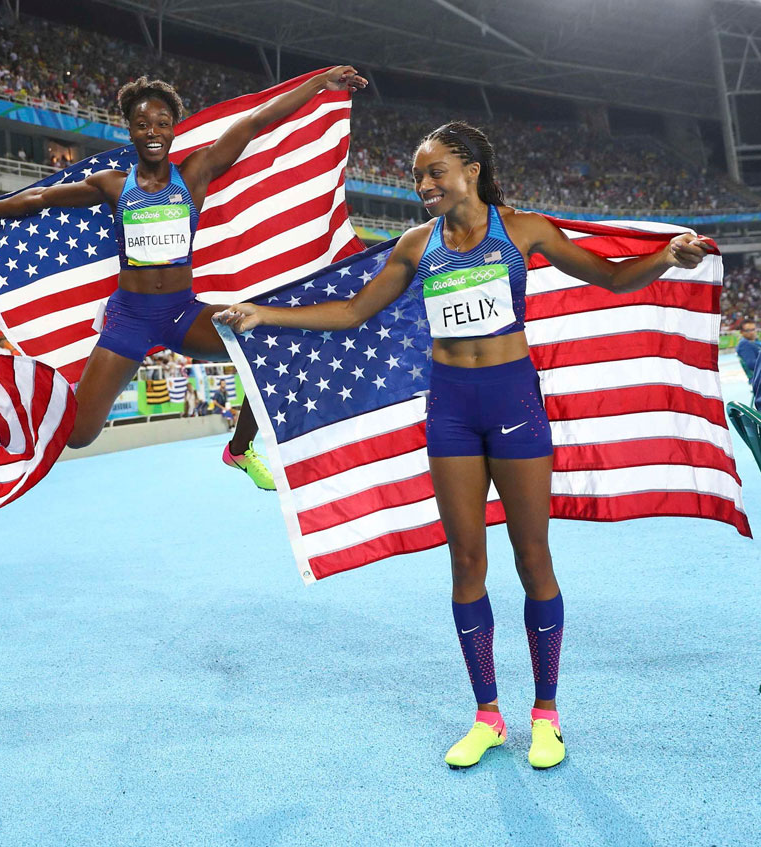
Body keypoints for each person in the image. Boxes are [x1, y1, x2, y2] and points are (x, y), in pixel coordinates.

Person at [216, 122, 709, 770]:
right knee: (466, 563)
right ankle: (487, 715)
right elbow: (350, 312)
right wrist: (262, 315)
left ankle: (546, 715)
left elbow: (612, 279)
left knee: (533, 558)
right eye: (418, 175)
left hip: (514, 408)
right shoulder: (417, 246)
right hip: (449, 412)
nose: (423, 185)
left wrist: (668, 257)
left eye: (435, 171)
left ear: (471, 169)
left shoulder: (524, 231)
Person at [0, 67, 368, 490]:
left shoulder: (195, 172)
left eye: (161, 123)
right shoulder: (114, 185)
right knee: (80, 435)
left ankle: (239, 448)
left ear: (173, 129)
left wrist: (319, 85)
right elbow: (44, 198)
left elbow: (254, 122)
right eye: (142, 124)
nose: (153, 132)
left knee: (269, 342)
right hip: (131, 319)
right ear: (131, 131)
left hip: (181, 313)